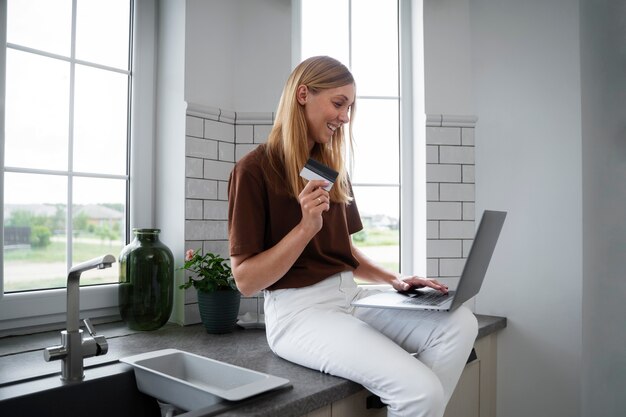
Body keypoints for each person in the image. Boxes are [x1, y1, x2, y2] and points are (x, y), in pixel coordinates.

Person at [227, 56, 477, 417]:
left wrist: (395, 279)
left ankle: (407, 401)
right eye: (339, 103)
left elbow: (344, 251)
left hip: (351, 297)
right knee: (421, 393)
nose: (345, 116)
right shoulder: (253, 170)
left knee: (459, 323)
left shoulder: (327, 168)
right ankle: (412, 400)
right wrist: (304, 228)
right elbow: (246, 281)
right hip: (298, 314)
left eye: (350, 107)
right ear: (302, 95)